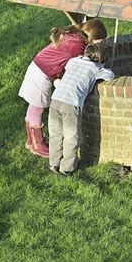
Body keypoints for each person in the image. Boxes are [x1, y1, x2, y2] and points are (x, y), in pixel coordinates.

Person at [19, 19, 107, 158]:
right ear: (93, 36)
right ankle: (38, 145)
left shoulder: (75, 35)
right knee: (38, 108)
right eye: (99, 41)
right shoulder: (77, 45)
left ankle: (31, 141)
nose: (100, 44)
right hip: (43, 74)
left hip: (37, 67)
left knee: (33, 106)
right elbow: (77, 66)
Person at [48, 43, 115, 175]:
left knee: (55, 134)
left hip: (56, 100)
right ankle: (67, 168)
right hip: (71, 103)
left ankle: (54, 163)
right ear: (99, 58)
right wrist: (102, 66)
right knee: (71, 137)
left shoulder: (74, 61)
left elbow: (68, 66)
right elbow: (110, 75)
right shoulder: (95, 68)